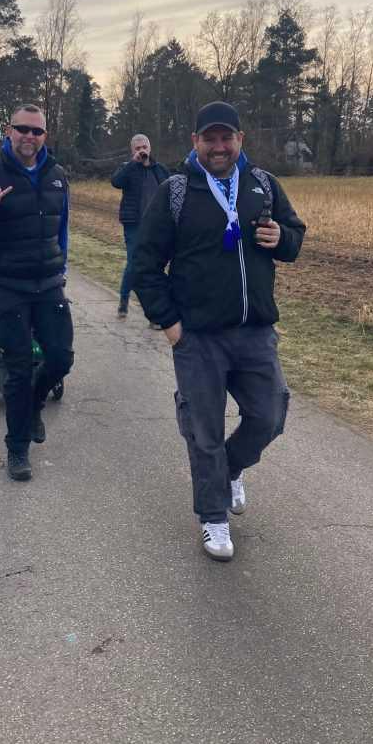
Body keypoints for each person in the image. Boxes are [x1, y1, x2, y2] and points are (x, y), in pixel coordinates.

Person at [132, 101, 306, 561]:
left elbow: (294, 236)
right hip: (198, 338)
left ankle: (230, 471)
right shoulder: (175, 192)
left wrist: (282, 240)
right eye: (209, 138)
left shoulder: (263, 185)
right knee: (203, 431)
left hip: (254, 333)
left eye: (226, 137)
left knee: (270, 415)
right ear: (195, 143)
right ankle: (213, 518)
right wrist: (170, 325)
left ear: (240, 140)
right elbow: (144, 265)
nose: (219, 146)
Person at [0, 104, 73, 482]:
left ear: (45, 136)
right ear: (9, 131)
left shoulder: (57, 176)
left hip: (49, 282)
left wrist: (63, 266)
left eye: (36, 131)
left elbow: (62, 230)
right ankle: (17, 448)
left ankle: (36, 405)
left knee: (60, 358)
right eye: (22, 129)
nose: (29, 136)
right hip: (6, 284)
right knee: (18, 369)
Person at [110, 134, 169, 319]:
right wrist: (133, 163)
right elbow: (116, 181)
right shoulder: (127, 169)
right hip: (134, 224)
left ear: (149, 148)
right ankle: (124, 300)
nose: (142, 151)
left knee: (155, 266)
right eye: (137, 148)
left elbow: (170, 190)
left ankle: (154, 311)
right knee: (134, 264)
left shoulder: (160, 169)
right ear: (132, 151)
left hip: (156, 225)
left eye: (144, 147)